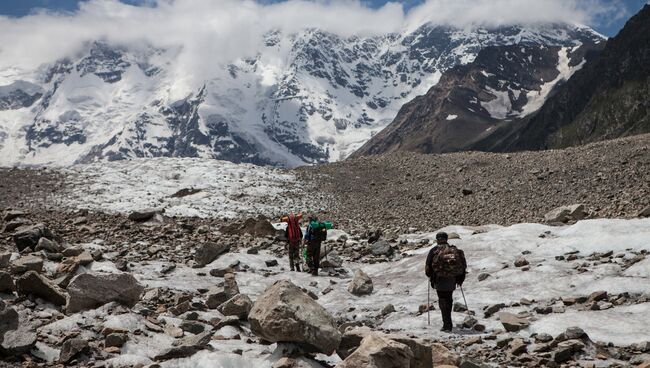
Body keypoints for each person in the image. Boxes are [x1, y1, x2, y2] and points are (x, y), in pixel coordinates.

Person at [425, 231, 467, 332]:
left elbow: (427, 268)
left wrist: (430, 276)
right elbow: (463, 265)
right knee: (449, 299)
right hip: (452, 280)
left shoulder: (434, 251)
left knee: (443, 301)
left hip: (439, 280)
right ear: (446, 239)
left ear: (437, 239)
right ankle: (448, 323)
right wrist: (460, 279)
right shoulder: (454, 250)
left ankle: (447, 325)